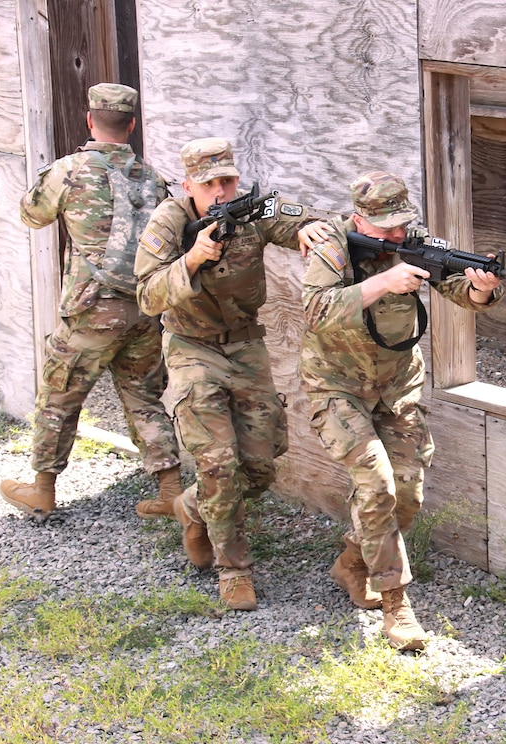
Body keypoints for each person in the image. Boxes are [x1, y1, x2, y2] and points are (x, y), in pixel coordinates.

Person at [297, 171, 504, 650]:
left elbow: (460, 290)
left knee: (406, 495)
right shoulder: (332, 244)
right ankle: (396, 605)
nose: (395, 235)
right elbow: (315, 310)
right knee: (376, 483)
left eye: (400, 225)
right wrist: (385, 282)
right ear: (358, 219)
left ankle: (352, 562)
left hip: (396, 386)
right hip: (337, 386)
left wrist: (482, 288)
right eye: (385, 227)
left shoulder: (416, 241)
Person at [134, 137, 323, 611]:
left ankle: (192, 508)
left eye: (228, 180)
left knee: (259, 465)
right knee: (218, 461)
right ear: (188, 186)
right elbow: (148, 297)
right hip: (191, 347)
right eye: (210, 183)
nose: (221, 191)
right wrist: (194, 257)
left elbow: (303, 219)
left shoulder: (253, 207)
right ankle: (234, 571)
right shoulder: (170, 222)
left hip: (245, 344)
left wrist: (309, 231)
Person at [0, 83, 183, 520]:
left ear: (89, 121)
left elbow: (32, 214)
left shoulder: (71, 169)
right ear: (132, 125)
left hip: (90, 312)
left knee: (60, 396)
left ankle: (42, 490)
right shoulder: (154, 179)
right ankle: (172, 491)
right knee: (144, 398)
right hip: (144, 310)